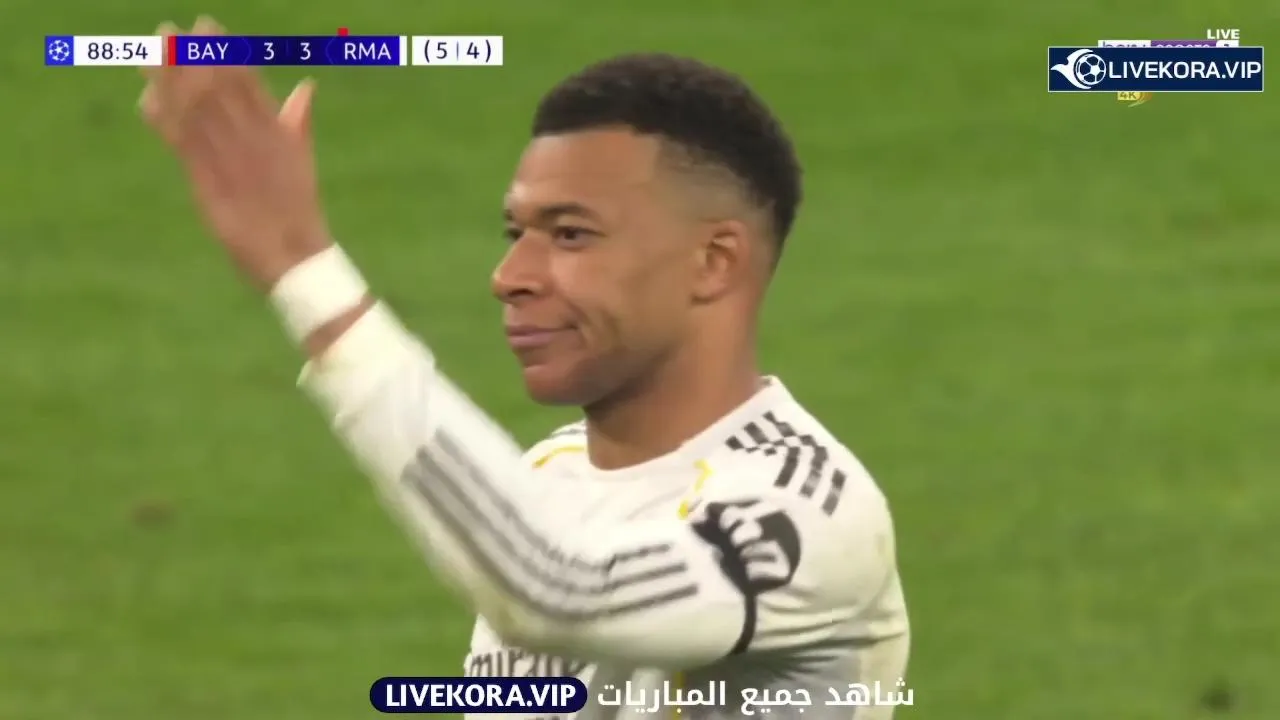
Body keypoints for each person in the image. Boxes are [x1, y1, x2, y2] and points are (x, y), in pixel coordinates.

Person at [140, 17, 910, 719]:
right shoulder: (551, 479)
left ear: (713, 262)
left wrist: (307, 273)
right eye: (517, 232)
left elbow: (560, 588)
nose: (510, 276)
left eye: (570, 235)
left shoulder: (809, 508)